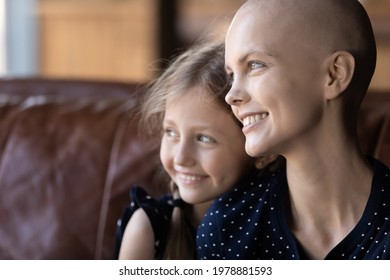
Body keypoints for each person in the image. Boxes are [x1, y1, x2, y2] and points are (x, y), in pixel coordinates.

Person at [196, 0, 390, 260]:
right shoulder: (227, 226)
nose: (231, 95)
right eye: (232, 75)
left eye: (255, 65)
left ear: (335, 74)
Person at [116, 41, 278, 260]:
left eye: (204, 138)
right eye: (171, 133)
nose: (181, 158)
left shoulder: (279, 225)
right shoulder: (148, 228)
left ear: (262, 151)